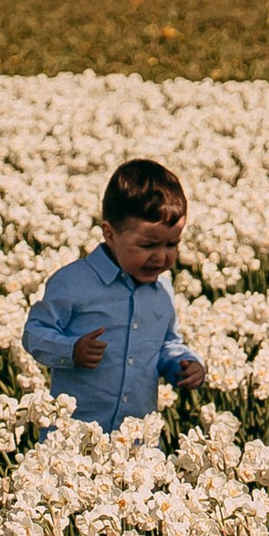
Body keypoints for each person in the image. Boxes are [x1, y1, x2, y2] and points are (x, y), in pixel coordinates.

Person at [24, 157, 209, 429]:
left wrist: (184, 364)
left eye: (172, 244)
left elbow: (166, 343)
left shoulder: (163, 291)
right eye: (147, 245)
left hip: (136, 440)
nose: (161, 257)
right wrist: (71, 350)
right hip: (73, 437)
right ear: (110, 235)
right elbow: (34, 333)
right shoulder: (73, 282)